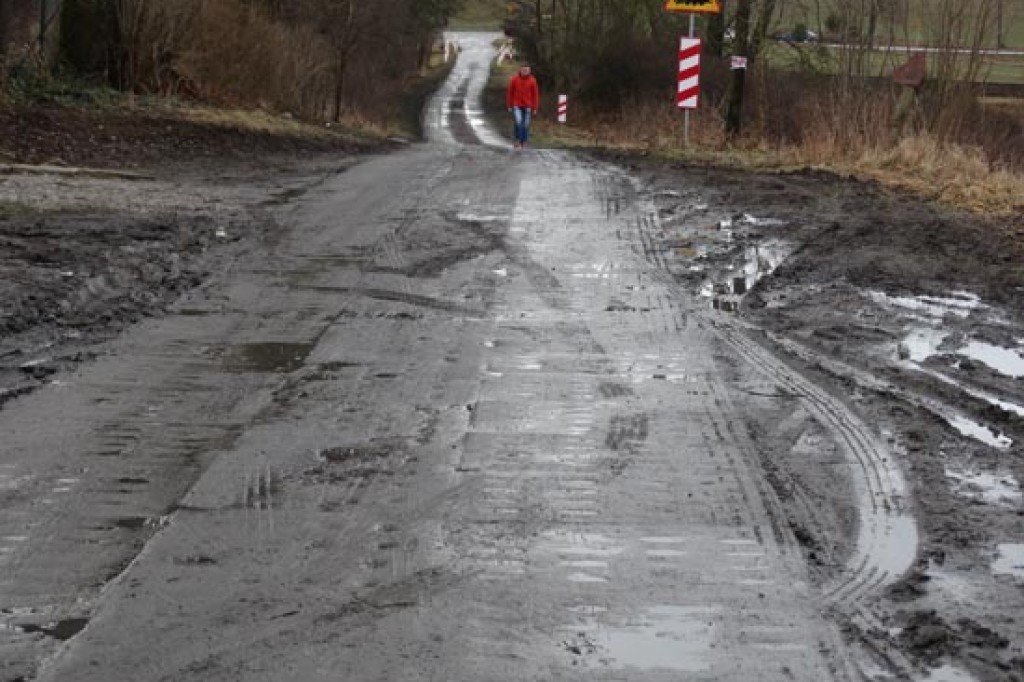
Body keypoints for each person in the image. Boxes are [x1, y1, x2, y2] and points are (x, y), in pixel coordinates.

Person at [506, 65, 539, 150]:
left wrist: (535, 108)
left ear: (529, 71)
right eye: (523, 70)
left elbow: (535, 95)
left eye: (527, 70)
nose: (525, 71)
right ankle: (518, 141)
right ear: (520, 70)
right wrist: (509, 105)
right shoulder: (514, 79)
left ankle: (522, 141)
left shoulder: (532, 80)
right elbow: (510, 93)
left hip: (528, 106)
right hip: (517, 105)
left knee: (525, 125)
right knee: (519, 122)